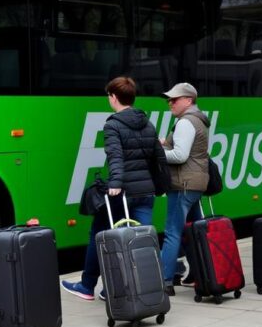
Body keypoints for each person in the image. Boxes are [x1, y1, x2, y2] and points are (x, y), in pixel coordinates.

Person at [61, 76, 167, 301]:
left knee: (100, 234)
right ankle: (146, 288)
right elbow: (157, 157)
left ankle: (87, 285)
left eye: (109, 95)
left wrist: (116, 184)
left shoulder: (113, 125)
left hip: (124, 193)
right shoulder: (147, 123)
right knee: (143, 240)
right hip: (146, 192)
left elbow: (115, 157)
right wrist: (160, 186)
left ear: (114, 97)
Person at [159, 82, 210, 296]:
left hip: (183, 184)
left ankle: (164, 280)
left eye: (175, 99)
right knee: (195, 232)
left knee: (172, 232)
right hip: (195, 182)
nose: (170, 103)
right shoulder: (197, 120)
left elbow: (180, 156)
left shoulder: (186, 122)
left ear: (188, 100)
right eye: (169, 99)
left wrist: (157, 153)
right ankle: (201, 274)